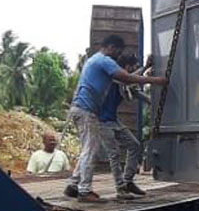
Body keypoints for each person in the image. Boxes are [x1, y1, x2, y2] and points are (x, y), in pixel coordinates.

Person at [65, 35, 165, 202]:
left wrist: (146, 69)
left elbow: (126, 79)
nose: (118, 56)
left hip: (83, 110)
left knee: (89, 149)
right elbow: (127, 78)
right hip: (87, 111)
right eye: (118, 52)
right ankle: (85, 191)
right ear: (111, 47)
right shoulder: (104, 61)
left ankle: (74, 185)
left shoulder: (95, 60)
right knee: (92, 151)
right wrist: (154, 80)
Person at [98, 54, 148, 200]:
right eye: (132, 67)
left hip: (114, 120)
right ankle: (120, 189)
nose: (132, 70)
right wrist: (145, 68)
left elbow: (135, 91)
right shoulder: (113, 76)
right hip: (102, 121)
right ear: (126, 66)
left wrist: (152, 101)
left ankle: (128, 181)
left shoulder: (124, 83)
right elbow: (129, 78)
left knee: (134, 145)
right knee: (114, 154)